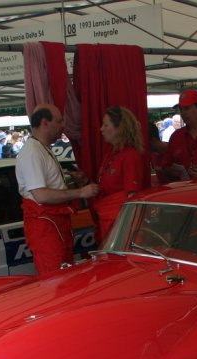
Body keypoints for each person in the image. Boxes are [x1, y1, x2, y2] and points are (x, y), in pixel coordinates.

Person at [15, 103, 99, 275]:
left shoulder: (42, 148)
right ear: (45, 123)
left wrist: (70, 182)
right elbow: (41, 195)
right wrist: (80, 192)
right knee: (55, 279)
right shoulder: (32, 152)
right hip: (45, 226)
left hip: (55, 224)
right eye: (59, 121)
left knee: (65, 276)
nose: (63, 126)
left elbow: (48, 187)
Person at [92, 106, 144, 241]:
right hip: (108, 220)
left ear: (119, 128)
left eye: (105, 125)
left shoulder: (130, 155)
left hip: (120, 225)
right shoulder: (111, 154)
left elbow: (132, 196)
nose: (101, 129)